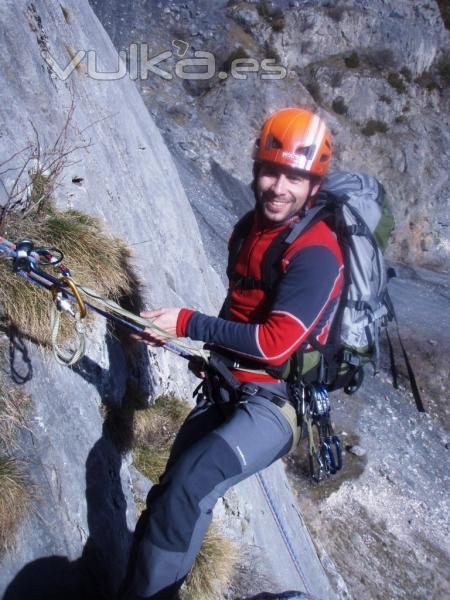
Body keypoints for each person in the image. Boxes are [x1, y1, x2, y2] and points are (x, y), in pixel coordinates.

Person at [120, 107, 344, 600]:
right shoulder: (249, 229)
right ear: (255, 168)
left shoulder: (317, 252)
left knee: (188, 489)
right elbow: (240, 306)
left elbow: (274, 342)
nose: (278, 187)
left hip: (273, 406)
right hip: (228, 385)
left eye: (294, 176)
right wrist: (196, 342)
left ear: (314, 184)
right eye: (270, 170)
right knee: (169, 494)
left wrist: (186, 322)